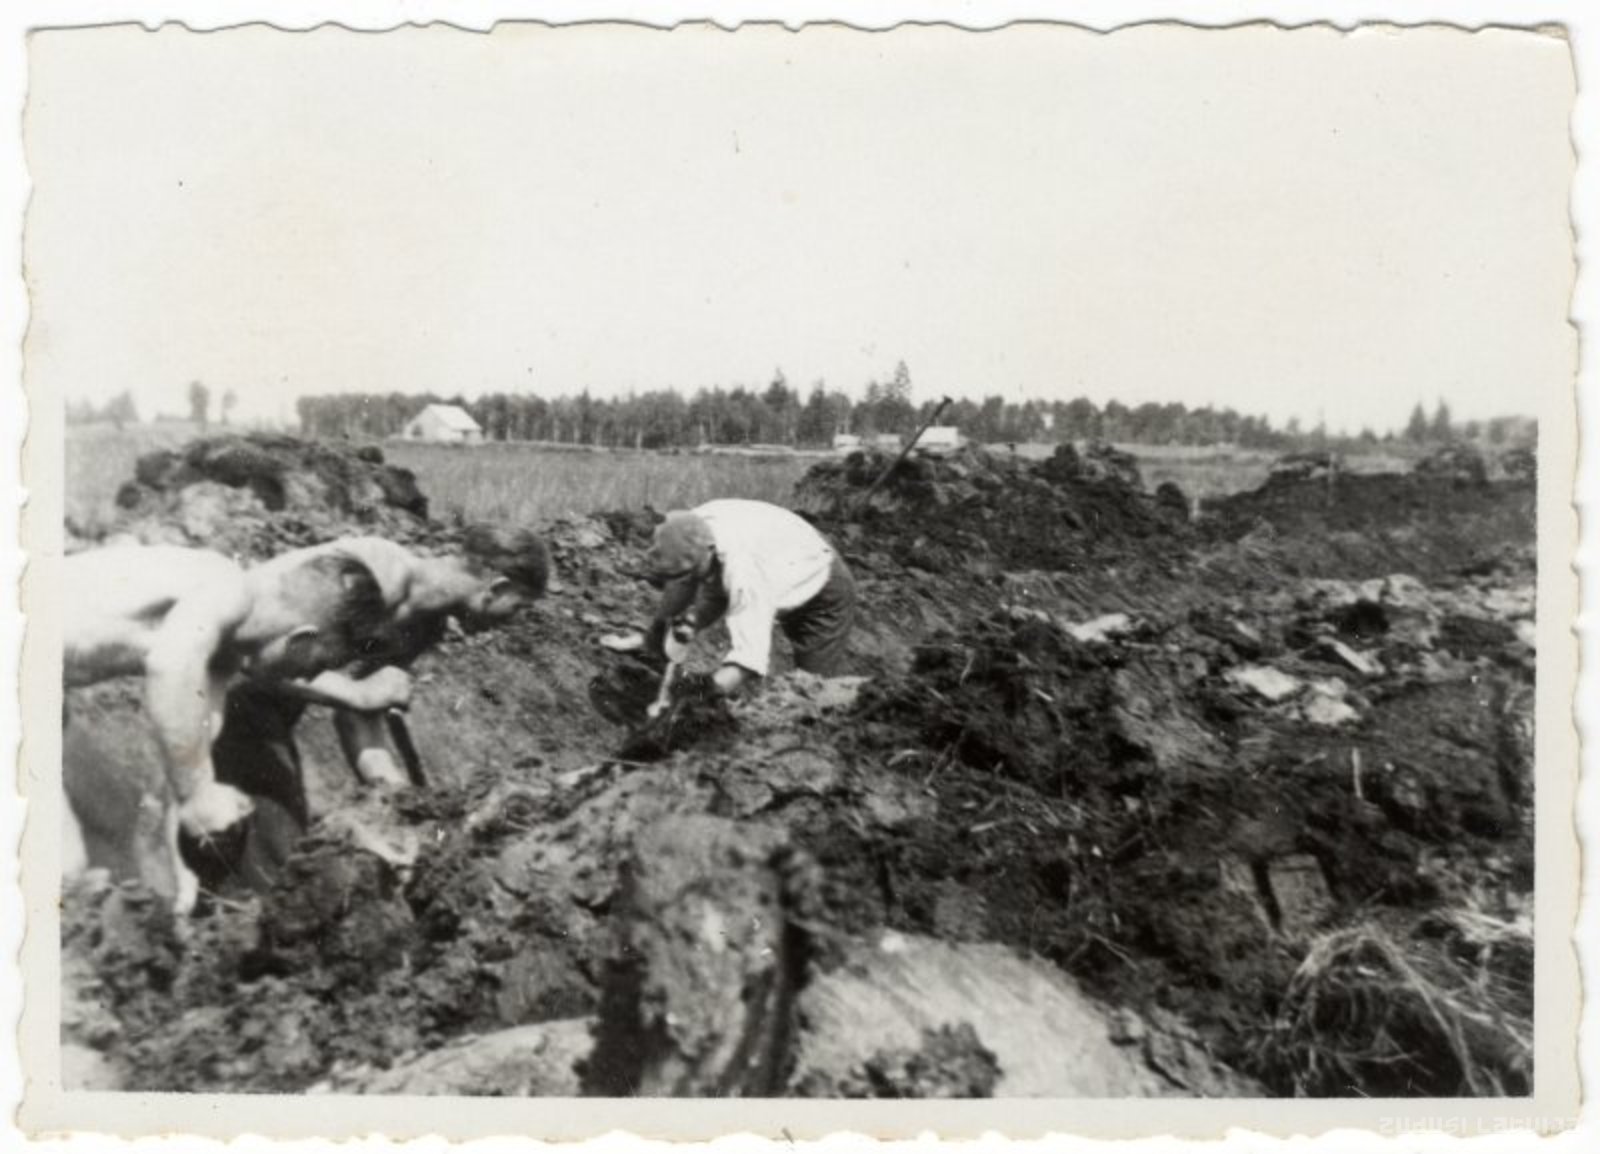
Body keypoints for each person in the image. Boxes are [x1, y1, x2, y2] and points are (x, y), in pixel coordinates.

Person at [190, 526, 550, 894]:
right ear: (497, 588)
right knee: (279, 866)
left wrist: (397, 797)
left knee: (273, 846)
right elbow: (251, 654)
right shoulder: (376, 570)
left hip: (269, 713)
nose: (513, 620)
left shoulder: (424, 628)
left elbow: (359, 713)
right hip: (218, 690)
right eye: (518, 607)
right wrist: (356, 694)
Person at [62, 544, 388, 911]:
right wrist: (197, 794)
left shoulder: (223, 656)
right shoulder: (226, 587)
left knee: (113, 820)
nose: (309, 679)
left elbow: (186, 761)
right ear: (302, 640)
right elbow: (170, 666)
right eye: (318, 665)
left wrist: (181, 868)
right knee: (64, 863)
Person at [641, 499, 857, 697]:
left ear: (709, 552)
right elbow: (686, 581)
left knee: (810, 691)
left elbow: (748, 661)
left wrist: (700, 689)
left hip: (822, 585)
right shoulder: (684, 528)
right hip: (784, 549)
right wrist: (657, 634)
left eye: (693, 574)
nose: (688, 582)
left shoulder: (744, 574)